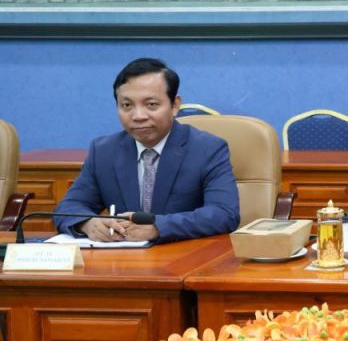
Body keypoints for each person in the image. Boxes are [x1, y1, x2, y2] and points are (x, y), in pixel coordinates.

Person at [54, 58, 240, 243]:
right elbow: (69, 207)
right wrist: (87, 223)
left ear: (175, 105)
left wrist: (158, 227)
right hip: (121, 258)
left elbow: (224, 214)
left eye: (151, 105)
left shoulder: (208, 149)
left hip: (184, 254)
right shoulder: (103, 151)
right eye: (127, 105)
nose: (138, 116)